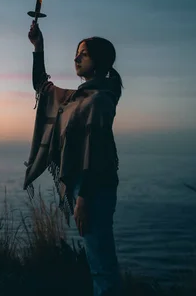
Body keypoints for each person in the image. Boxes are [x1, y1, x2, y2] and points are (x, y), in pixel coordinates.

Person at [23, 21, 123, 296]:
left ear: (99, 61)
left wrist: (83, 199)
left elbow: (97, 152)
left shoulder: (99, 101)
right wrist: (38, 47)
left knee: (102, 264)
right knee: (97, 260)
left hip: (94, 189)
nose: (76, 58)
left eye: (84, 54)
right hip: (86, 187)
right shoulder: (77, 98)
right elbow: (42, 87)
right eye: (77, 53)